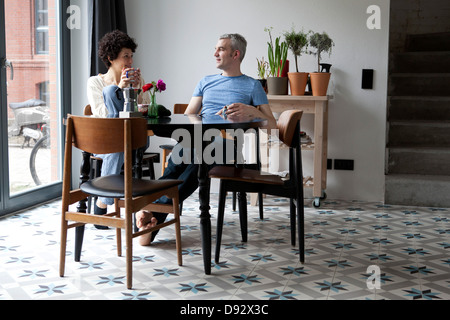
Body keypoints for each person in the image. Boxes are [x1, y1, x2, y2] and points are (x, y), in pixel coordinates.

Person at [136, 33, 277, 245]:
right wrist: (207, 117)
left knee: (199, 159)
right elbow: (189, 116)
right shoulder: (206, 81)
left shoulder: (252, 85)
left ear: (235, 54)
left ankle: (153, 212)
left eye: (220, 49)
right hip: (198, 138)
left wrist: (251, 110)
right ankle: (153, 219)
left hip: (228, 142)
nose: (215, 53)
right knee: (177, 163)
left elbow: (272, 123)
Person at [86, 30, 151, 227]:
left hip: (135, 138)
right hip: (104, 140)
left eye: (131, 56)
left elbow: (145, 111)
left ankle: (102, 204)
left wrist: (137, 90)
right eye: (126, 56)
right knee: (110, 92)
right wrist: (121, 89)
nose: (130, 61)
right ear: (110, 58)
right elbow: (102, 115)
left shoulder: (135, 80)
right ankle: (109, 204)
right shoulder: (95, 82)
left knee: (120, 143)